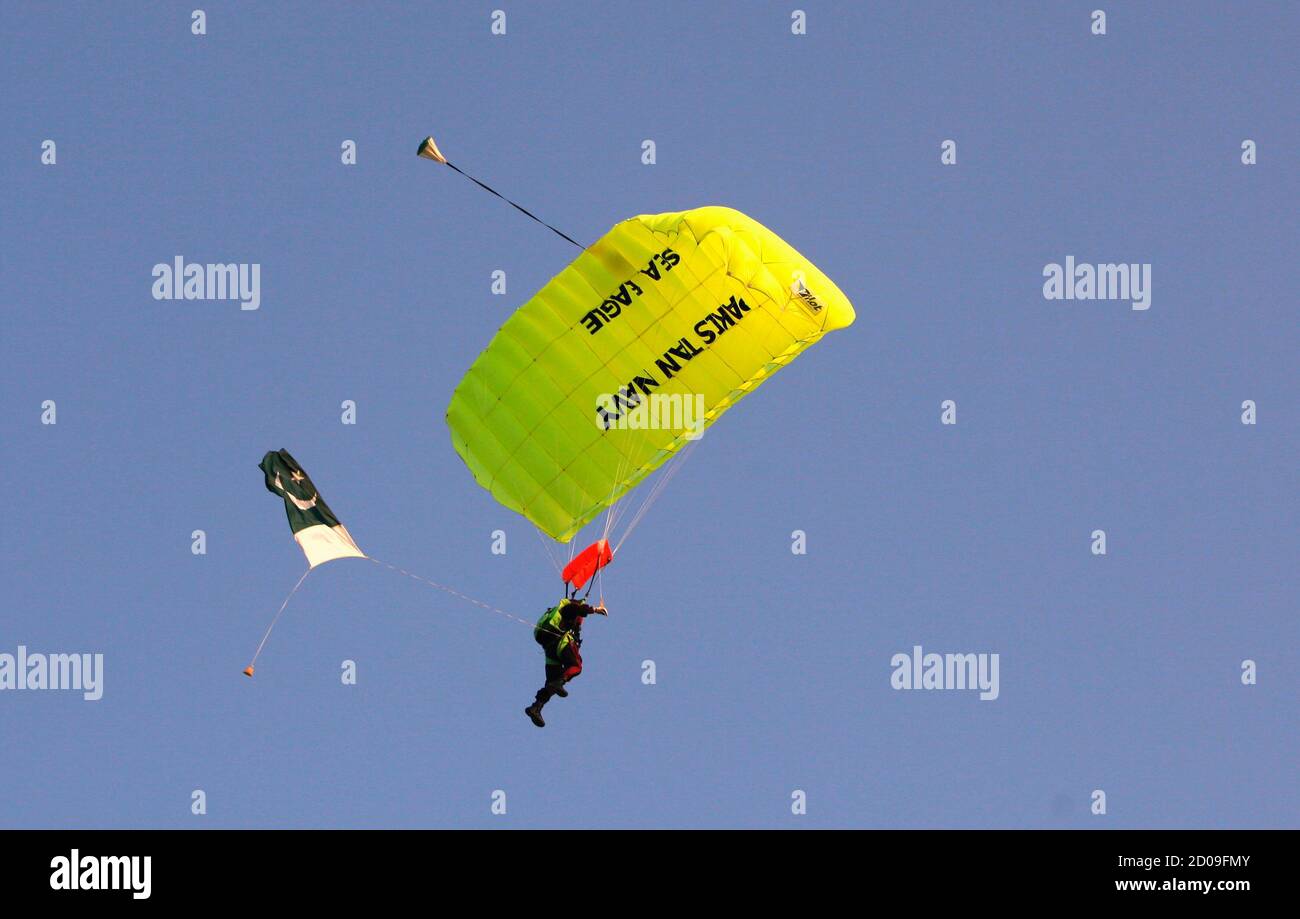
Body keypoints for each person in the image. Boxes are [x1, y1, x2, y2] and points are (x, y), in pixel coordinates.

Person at [525, 597, 606, 727]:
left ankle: (536, 707)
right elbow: (575, 609)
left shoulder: (563, 616)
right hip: (560, 644)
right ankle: (560, 682)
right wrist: (595, 609)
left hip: (550, 651)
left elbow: (576, 613)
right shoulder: (569, 608)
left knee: (551, 683)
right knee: (576, 666)